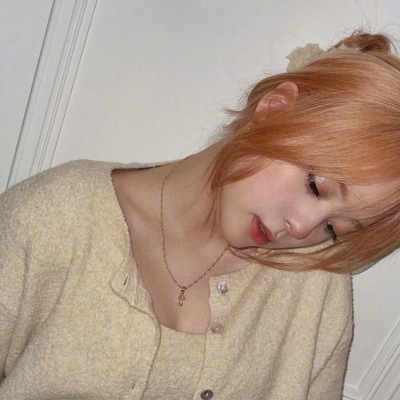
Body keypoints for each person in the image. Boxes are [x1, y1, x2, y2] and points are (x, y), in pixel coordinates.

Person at [1, 31, 399, 400]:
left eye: (333, 227)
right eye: (315, 185)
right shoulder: (56, 214)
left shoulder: (315, 286)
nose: (302, 228)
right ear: (274, 109)